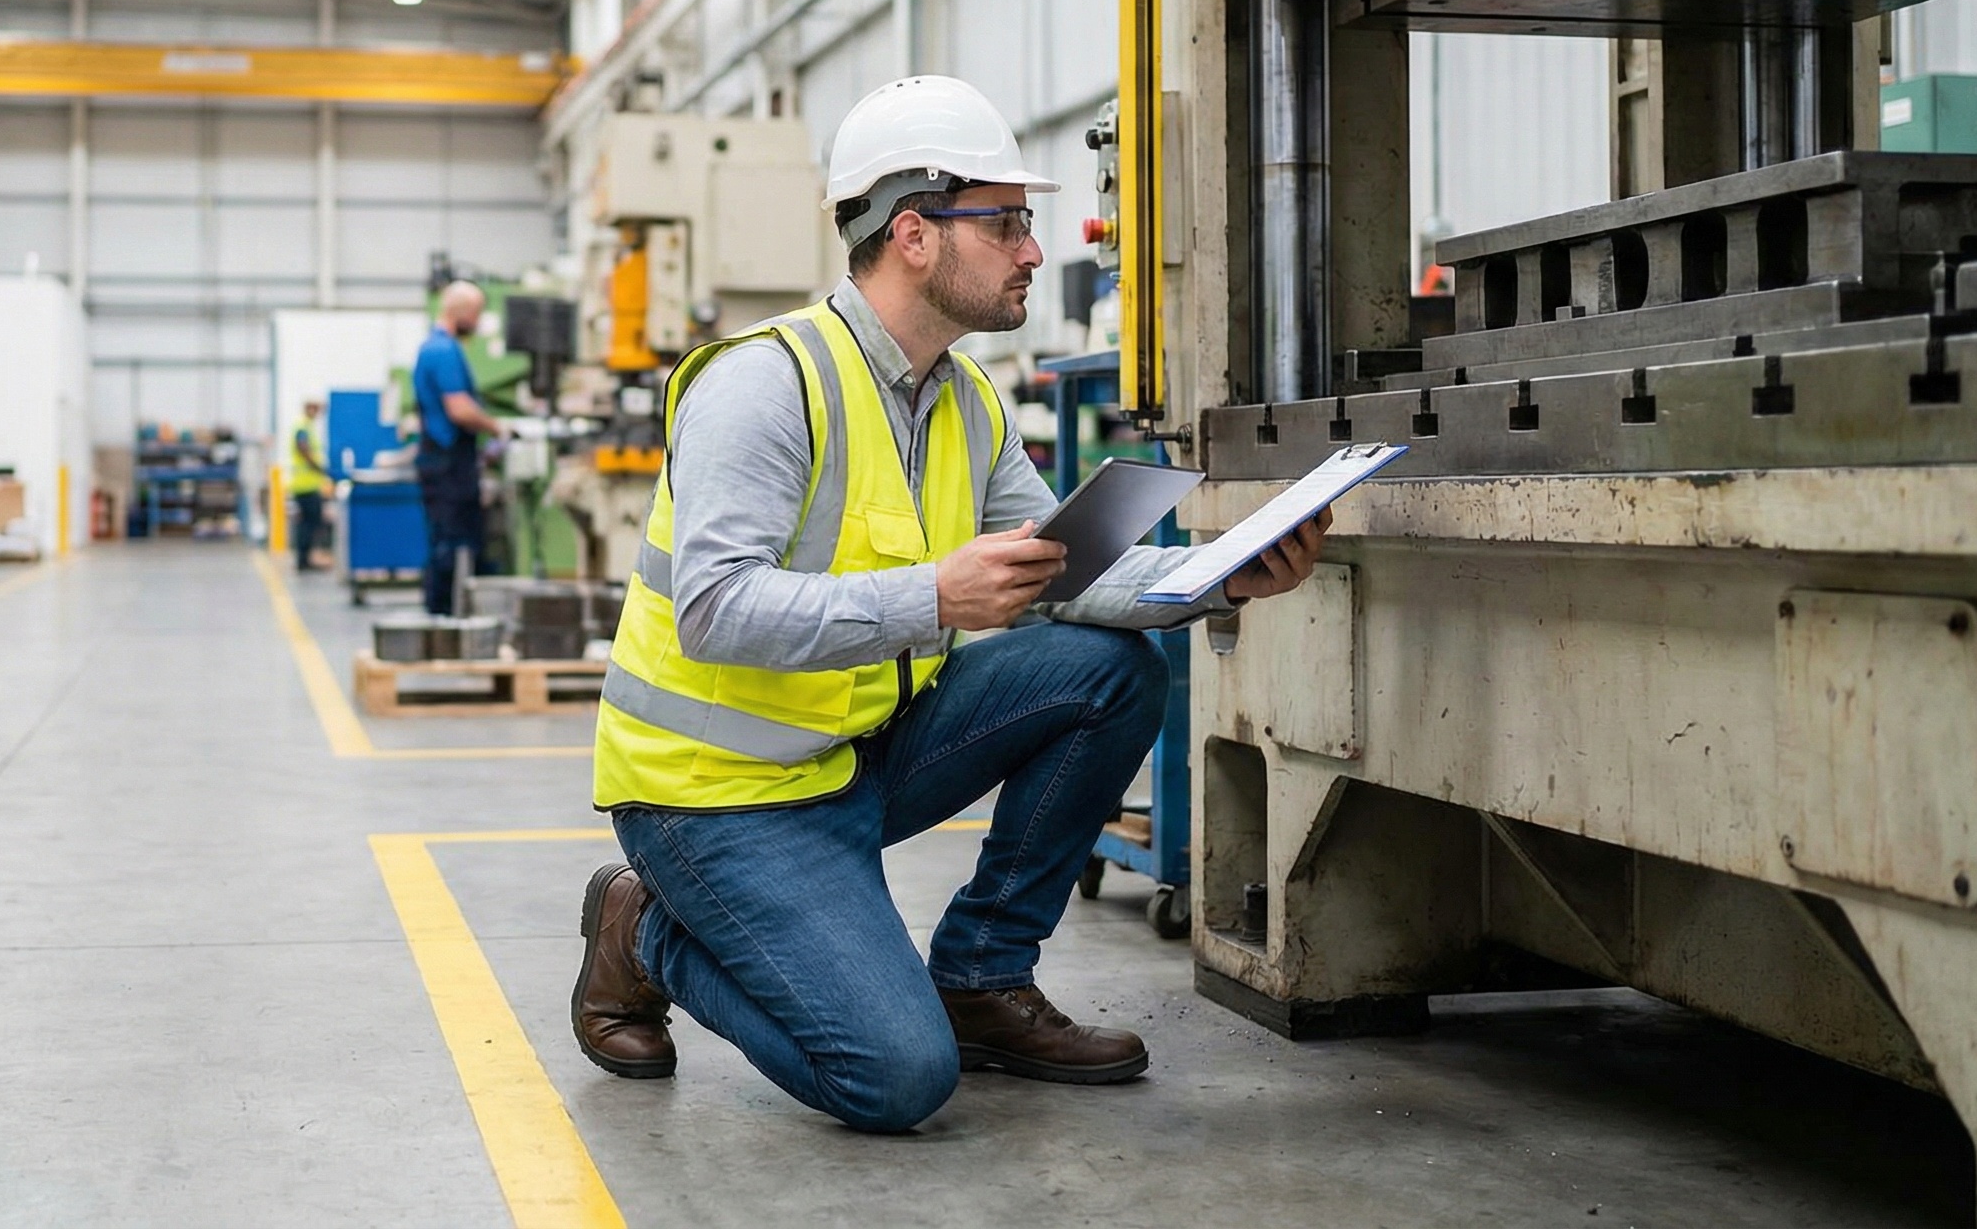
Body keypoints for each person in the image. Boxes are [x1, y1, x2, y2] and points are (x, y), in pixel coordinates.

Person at [571, 75, 1333, 1132]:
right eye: (1008, 221)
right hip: (716, 798)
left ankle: (979, 978)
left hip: (859, 755)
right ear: (915, 234)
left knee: (1108, 671)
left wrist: (1218, 575)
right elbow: (713, 611)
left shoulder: (963, 399)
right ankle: (641, 926)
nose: (1032, 250)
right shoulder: (764, 386)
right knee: (892, 1081)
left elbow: (1066, 573)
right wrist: (934, 596)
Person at [410, 281, 504, 615]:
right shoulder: (443, 350)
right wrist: (498, 427)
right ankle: (443, 618)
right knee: (451, 542)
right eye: (476, 314)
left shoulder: (436, 348)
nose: (478, 323)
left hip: (444, 458)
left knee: (447, 539)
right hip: (447, 461)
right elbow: (459, 409)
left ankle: (445, 614)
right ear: (461, 311)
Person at [287, 398, 333, 572]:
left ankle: (305, 559)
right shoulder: (302, 426)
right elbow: (303, 449)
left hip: (309, 484)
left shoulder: (307, 426)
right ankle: (303, 560)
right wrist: (319, 468)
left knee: (310, 523)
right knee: (309, 524)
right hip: (305, 485)